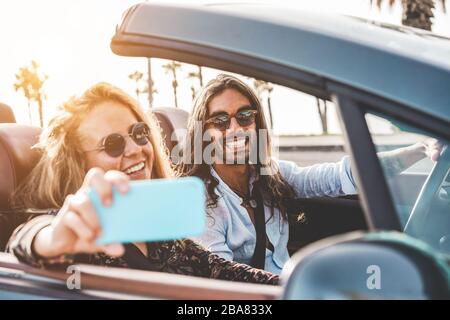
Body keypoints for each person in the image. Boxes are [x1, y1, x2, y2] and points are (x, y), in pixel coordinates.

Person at [6, 82, 278, 285]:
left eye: (139, 133)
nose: (136, 149)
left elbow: (221, 271)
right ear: (78, 163)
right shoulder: (78, 228)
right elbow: (28, 240)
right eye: (112, 144)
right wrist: (51, 238)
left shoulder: (157, 228)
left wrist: (292, 287)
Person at [176, 74, 442, 275]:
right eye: (220, 121)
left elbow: (339, 176)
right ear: (203, 132)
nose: (235, 128)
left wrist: (418, 150)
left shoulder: (270, 175)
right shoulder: (199, 202)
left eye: (245, 116)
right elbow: (225, 280)